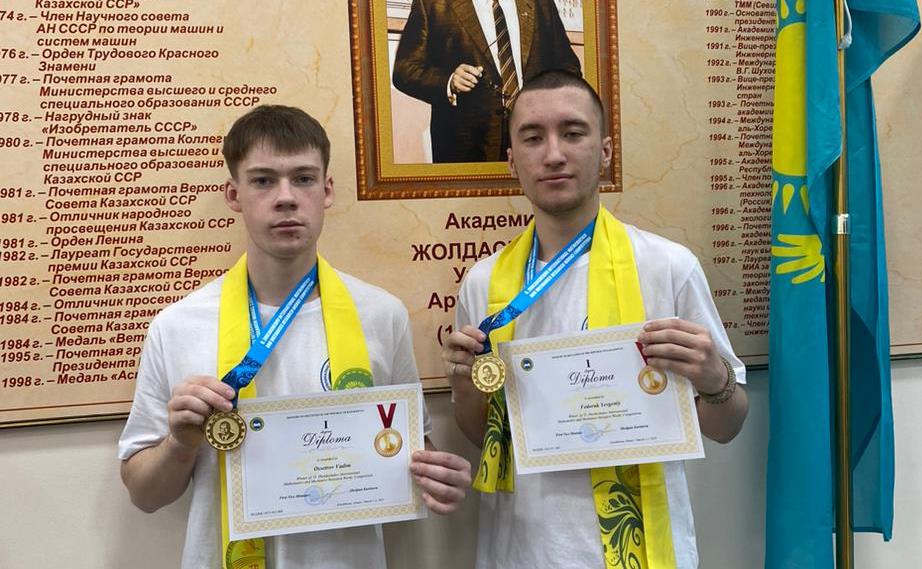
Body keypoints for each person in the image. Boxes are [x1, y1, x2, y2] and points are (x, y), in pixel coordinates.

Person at [119, 105, 472, 569]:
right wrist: (181, 444)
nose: (285, 198)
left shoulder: (380, 315)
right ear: (234, 194)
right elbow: (144, 495)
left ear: (327, 191)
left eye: (303, 178)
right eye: (263, 180)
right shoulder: (177, 325)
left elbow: (406, 449)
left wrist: (438, 474)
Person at [442, 70, 749, 569]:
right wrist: (465, 383)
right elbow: (484, 436)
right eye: (533, 138)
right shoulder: (484, 283)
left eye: (572, 132)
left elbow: (728, 426)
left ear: (605, 152)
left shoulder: (667, 267)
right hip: (522, 550)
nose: (554, 154)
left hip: (644, 549)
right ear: (512, 160)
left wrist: (715, 379)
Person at [393, 0, 581, 163]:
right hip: (466, 150)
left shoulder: (541, 4)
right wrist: (449, 81)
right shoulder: (433, 4)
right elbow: (405, 69)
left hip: (534, 143)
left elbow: (568, 66)